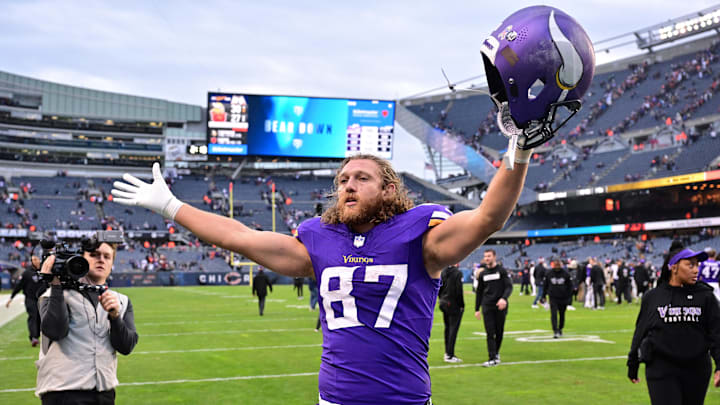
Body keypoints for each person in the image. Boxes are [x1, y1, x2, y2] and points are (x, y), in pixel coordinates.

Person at [110, 6, 594, 403]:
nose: (347, 185)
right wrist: (171, 205)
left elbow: (488, 216)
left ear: (388, 188)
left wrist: (520, 151)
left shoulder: (419, 232)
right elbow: (239, 236)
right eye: (342, 179)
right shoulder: (320, 239)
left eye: (361, 177)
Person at [36, 241, 138, 404]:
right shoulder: (54, 294)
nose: (101, 260)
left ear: (112, 263)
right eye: (94, 255)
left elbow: (126, 346)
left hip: (104, 391)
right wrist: (56, 285)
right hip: (63, 391)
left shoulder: (121, 301)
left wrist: (115, 317)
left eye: (107, 257)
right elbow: (56, 331)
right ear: (80, 259)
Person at [627, 241, 720, 405]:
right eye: (690, 265)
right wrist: (633, 362)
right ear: (674, 267)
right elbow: (641, 330)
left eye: (697, 265)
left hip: (697, 369)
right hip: (661, 368)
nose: (696, 270)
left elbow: (716, 332)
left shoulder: (705, 296)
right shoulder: (653, 297)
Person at [474, 249, 512, 367]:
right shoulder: (483, 274)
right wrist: (476, 309)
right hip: (487, 306)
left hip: (500, 306)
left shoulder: (501, 271)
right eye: (485, 256)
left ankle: (496, 353)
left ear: (494, 257)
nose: (487, 258)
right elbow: (479, 292)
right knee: (490, 332)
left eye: (489, 256)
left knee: (499, 331)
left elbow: (508, 287)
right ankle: (492, 358)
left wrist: (504, 299)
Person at [5, 256, 44, 347]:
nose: (36, 261)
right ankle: (33, 337)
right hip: (30, 299)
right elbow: (19, 286)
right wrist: (11, 298)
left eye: (37, 259)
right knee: (33, 316)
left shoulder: (44, 271)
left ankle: (37, 335)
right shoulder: (27, 273)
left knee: (40, 318)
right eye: (33, 260)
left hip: (41, 299)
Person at [438, 264, 465, 363]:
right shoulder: (457, 273)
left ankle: (447, 353)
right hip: (453, 304)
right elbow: (459, 291)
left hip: (444, 302)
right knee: (453, 330)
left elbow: (439, 287)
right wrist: (461, 304)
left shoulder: (443, 271)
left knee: (447, 328)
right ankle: (450, 354)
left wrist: (441, 299)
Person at [543, 257, 573, 338]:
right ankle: (555, 330)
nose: (557, 266)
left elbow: (570, 286)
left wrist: (569, 297)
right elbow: (545, 285)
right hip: (553, 297)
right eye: (555, 264)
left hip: (563, 297)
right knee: (553, 314)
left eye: (558, 264)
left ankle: (560, 328)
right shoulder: (549, 273)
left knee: (562, 314)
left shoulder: (566, 274)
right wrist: (543, 296)